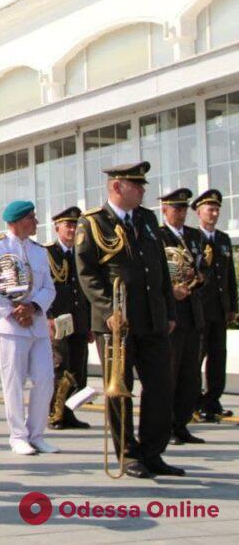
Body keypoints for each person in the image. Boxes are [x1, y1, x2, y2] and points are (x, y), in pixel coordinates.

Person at [75, 161, 182, 479]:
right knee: (120, 389)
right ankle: (127, 452)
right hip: (116, 322)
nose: (142, 190)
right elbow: (87, 274)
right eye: (136, 186)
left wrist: (170, 312)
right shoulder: (93, 222)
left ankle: (153, 451)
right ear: (117, 187)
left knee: (161, 385)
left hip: (151, 317)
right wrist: (109, 311)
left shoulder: (147, 220)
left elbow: (160, 269)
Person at [0, 200, 58, 456]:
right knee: (13, 382)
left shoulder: (39, 251)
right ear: (16, 221)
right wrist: (14, 310)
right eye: (31, 217)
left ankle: (37, 434)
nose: (35, 222)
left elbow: (49, 287)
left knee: (45, 380)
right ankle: (18, 436)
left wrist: (33, 307)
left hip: (36, 324)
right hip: (10, 326)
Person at [158, 188, 206, 445]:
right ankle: (167, 426)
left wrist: (199, 277)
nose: (181, 213)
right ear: (164, 209)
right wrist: (172, 289)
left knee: (190, 375)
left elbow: (203, 267)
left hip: (192, 312)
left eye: (184, 209)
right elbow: (157, 272)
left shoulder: (195, 236)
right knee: (171, 373)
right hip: (172, 314)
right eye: (176, 208)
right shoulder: (158, 235)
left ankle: (182, 424)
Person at [44, 206, 92, 431]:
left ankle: (70, 413)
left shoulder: (83, 253)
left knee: (78, 369)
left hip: (80, 319)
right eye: (68, 225)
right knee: (59, 366)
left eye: (75, 225)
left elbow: (88, 290)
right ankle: (55, 413)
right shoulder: (47, 253)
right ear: (57, 228)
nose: (72, 229)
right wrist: (47, 317)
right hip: (58, 319)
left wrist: (92, 322)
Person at [191, 189, 237, 423]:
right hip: (199, 310)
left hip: (219, 309)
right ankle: (193, 402)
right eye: (210, 209)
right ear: (199, 212)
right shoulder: (192, 239)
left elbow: (229, 277)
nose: (215, 213)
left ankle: (213, 401)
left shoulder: (223, 239)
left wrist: (233, 306)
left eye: (217, 209)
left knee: (218, 358)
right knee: (196, 357)